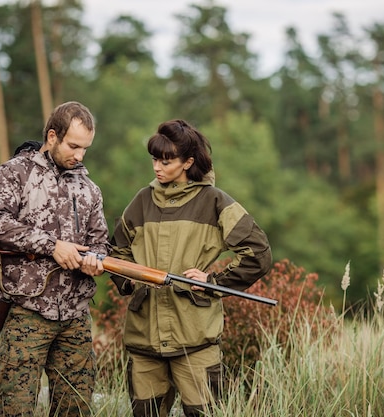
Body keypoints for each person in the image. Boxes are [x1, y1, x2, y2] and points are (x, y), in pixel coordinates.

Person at [110, 119, 272, 417]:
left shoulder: (215, 201)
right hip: (143, 340)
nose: (157, 167)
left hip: (195, 340)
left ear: (188, 162)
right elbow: (116, 251)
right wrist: (129, 281)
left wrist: (214, 280)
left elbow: (258, 253)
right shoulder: (141, 201)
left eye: (166, 160)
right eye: (154, 159)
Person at [0, 101, 110, 416]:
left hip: (76, 316)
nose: (79, 155)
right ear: (52, 136)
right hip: (27, 311)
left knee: (75, 408)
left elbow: (100, 240)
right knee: (15, 407)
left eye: (85, 148)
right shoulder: (14, 174)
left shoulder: (89, 188)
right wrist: (52, 245)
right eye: (73, 146)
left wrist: (96, 259)